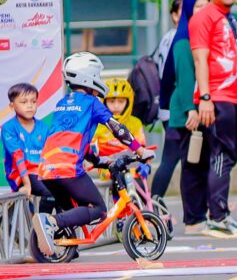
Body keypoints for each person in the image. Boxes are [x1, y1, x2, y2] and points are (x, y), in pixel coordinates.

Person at [32, 53, 152, 255]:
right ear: (88, 76)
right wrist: (140, 149)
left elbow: (75, 139)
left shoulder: (63, 103)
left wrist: (97, 161)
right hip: (67, 167)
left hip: (46, 168)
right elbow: (117, 128)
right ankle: (50, 221)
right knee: (98, 208)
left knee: (70, 208)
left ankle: (66, 247)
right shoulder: (91, 102)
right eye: (97, 74)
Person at [188, 0, 237, 238]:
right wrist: (205, 98)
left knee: (227, 157)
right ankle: (217, 216)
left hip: (233, 98)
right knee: (221, 157)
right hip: (217, 98)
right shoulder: (205, 17)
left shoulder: (228, 17)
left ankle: (222, 215)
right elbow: (200, 59)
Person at [152, 0, 209, 208]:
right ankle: (155, 204)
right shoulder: (179, 37)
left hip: (178, 106)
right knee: (179, 159)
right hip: (178, 109)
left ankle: (156, 204)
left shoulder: (186, 34)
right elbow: (180, 74)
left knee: (184, 159)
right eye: (198, 7)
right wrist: (189, 107)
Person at [2, 82, 52, 211]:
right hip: (20, 174)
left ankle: (59, 228)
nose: (29, 106)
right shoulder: (8, 128)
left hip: (41, 172)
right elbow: (17, 155)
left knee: (62, 195)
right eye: (24, 102)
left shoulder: (44, 127)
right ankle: (40, 230)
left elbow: (50, 154)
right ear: (12, 106)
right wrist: (26, 184)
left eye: (33, 101)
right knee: (49, 193)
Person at [94, 77, 146, 153]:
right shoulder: (96, 124)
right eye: (111, 101)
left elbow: (141, 149)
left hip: (130, 164)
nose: (116, 106)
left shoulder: (135, 123)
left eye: (121, 101)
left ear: (128, 102)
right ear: (104, 103)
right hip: (102, 164)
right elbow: (89, 151)